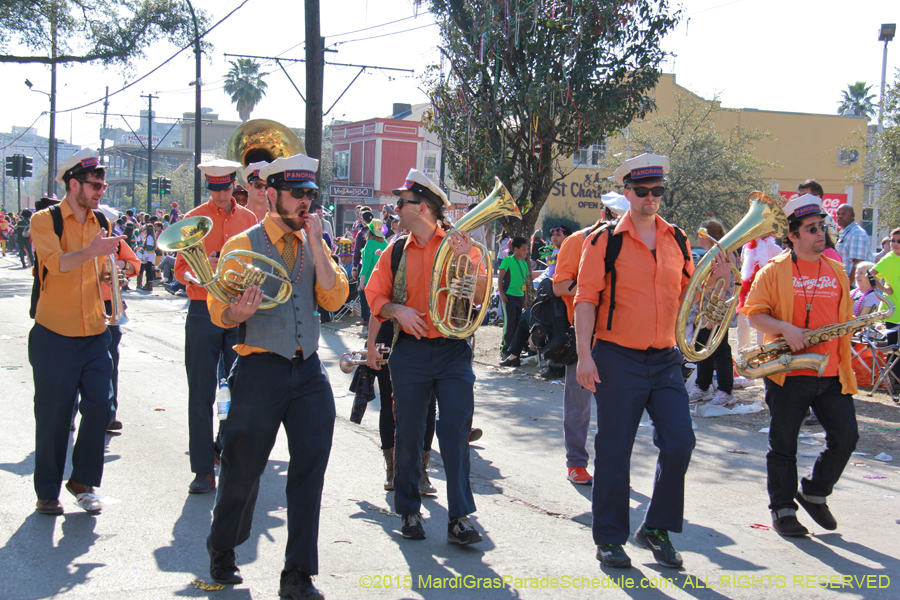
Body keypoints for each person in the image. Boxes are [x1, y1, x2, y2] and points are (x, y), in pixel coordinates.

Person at [205, 153, 348, 599]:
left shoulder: (313, 242)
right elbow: (218, 312)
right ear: (272, 195)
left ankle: (297, 572)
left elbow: (334, 297)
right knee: (243, 470)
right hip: (259, 368)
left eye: (311, 194)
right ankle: (222, 545)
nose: (307, 202)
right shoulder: (244, 245)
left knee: (310, 471)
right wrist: (236, 310)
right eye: (298, 194)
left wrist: (319, 244)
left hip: (307, 371)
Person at [574, 153, 726, 569]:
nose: (651, 198)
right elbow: (584, 300)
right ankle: (609, 538)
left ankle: (655, 528)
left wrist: (724, 275)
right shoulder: (604, 240)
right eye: (642, 191)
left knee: (680, 442)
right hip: (616, 357)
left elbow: (696, 289)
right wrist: (584, 356)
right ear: (627, 193)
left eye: (658, 191)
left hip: (665, 359)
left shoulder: (676, 238)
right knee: (613, 450)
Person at [365, 168, 486, 545]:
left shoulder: (461, 244)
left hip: (452, 351)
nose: (396, 207)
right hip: (411, 353)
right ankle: (409, 511)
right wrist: (397, 312)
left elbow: (480, 296)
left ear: (423, 207)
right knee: (410, 433)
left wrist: (471, 263)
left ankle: (459, 517)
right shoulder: (395, 249)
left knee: (455, 434)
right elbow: (374, 297)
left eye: (402, 202)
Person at [742, 194, 860, 538]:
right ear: (793, 235)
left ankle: (813, 492)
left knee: (846, 437)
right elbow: (755, 314)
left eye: (821, 226)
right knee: (784, 445)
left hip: (832, 371)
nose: (820, 233)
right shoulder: (772, 271)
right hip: (788, 371)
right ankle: (782, 509)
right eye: (811, 229)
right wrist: (786, 328)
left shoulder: (837, 270)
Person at [29, 149, 126, 515]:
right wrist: (92, 251)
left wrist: (116, 274)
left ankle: (82, 482)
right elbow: (57, 265)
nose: (101, 190)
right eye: (95, 184)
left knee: (101, 410)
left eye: (102, 184)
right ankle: (47, 492)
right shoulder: (45, 220)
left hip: (95, 333)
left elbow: (101, 267)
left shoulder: (102, 220)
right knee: (55, 417)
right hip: (54, 335)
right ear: (74, 184)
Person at [174, 159, 257, 494]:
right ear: (207, 187)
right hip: (201, 308)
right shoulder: (193, 218)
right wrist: (201, 270)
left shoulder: (249, 218)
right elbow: (179, 270)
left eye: (225, 189)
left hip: (236, 309)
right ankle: (201, 470)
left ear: (233, 185)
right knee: (201, 393)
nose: (220, 196)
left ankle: (224, 450)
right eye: (214, 189)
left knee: (242, 388)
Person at [687, 219, 738, 407]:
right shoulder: (714, 252)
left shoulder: (722, 253)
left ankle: (726, 391)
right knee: (702, 348)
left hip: (713, 309)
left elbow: (722, 284)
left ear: (704, 235)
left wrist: (711, 314)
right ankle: (703, 386)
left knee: (719, 350)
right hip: (706, 308)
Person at [498, 237, 531, 358]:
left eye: (526, 249)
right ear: (515, 249)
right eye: (523, 249)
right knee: (510, 323)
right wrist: (501, 294)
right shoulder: (507, 260)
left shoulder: (524, 263)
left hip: (520, 297)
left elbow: (524, 284)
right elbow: (500, 278)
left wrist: (525, 300)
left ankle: (515, 349)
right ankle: (505, 348)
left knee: (519, 323)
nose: (525, 252)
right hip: (509, 297)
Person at [359, 219, 388, 335]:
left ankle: (370, 330)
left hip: (370, 279)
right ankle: (378, 331)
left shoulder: (369, 243)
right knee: (378, 305)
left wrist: (361, 280)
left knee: (369, 306)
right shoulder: (385, 243)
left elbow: (366, 263)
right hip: (381, 279)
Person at [834, 203, 870, 280]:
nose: (839, 216)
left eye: (844, 214)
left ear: (852, 215)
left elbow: (858, 263)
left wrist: (848, 285)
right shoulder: (845, 232)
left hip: (853, 284)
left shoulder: (857, 234)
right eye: (838, 214)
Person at [136, 224, 157, 291]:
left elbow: (149, 249)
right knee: (148, 270)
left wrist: (145, 258)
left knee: (148, 271)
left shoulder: (149, 237)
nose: (144, 230)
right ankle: (148, 284)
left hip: (149, 255)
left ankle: (149, 285)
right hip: (150, 255)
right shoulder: (150, 237)